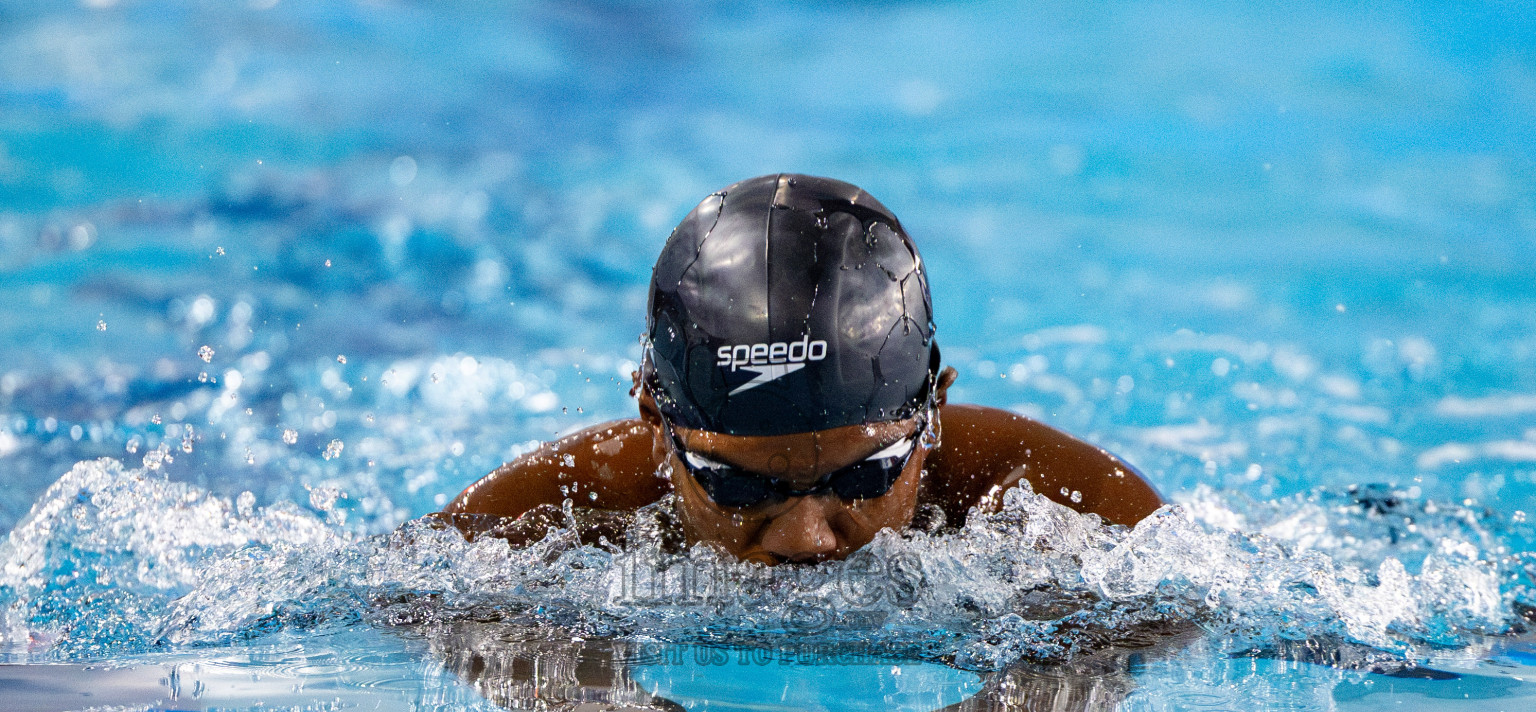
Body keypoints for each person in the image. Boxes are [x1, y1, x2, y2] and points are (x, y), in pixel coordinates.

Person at [437, 174, 1161, 562]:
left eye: (864, 475)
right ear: (656, 424)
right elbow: (412, 611)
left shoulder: (1046, 505)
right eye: (739, 485)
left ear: (931, 411)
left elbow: (1159, 630)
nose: (806, 540)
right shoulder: (563, 513)